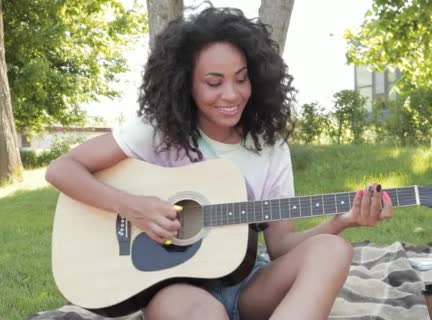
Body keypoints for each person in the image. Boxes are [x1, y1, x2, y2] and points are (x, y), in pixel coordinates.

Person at [45, 6, 393, 320]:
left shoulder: (269, 147)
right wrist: (133, 207)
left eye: (241, 79)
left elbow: (281, 247)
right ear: (186, 84)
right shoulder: (158, 131)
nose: (231, 94)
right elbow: (61, 169)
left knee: (334, 250)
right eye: (214, 83)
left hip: (249, 283)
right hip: (177, 292)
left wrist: (341, 221)